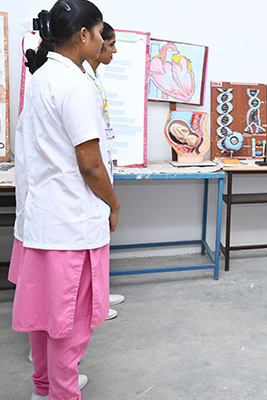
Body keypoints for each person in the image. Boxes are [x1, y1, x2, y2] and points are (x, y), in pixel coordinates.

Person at [10, 1, 119, 399]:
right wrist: (114, 203)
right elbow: (89, 163)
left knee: (44, 317)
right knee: (69, 325)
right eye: (101, 33)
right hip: (71, 225)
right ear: (83, 35)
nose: (104, 42)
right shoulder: (74, 83)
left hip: (42, 221)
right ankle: (62, 393)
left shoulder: (41, 77)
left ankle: (44, 388)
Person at [83, 21, 125, 321]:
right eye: (109, 43)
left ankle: (98, 295)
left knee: (100, 238)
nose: (113, 50)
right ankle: (93, 302)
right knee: (90, 245)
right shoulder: (80, 79)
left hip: (100, 169)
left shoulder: (94, 77)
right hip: (88, 177)